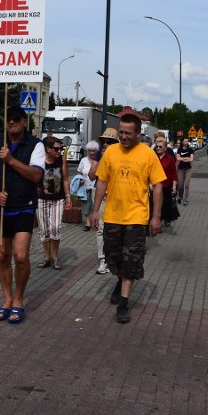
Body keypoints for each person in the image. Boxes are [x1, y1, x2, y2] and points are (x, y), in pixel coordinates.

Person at [90, 114, 166, 324]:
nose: (123, 136)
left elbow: (158, 186)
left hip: (137, 217)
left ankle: (124, 303)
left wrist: (156, 217)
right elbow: (102, 182)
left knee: (131, 260)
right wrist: (95, 211)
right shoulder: (111, 152)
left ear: (138, 133)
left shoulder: (147, 155)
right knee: (113, 258)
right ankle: (119, 279)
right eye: (121, 132)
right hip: (113, 215)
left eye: (128, 133)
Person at [0, 106, 45, 324]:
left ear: (25, 122)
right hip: (1, 209)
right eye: (8, 120)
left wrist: (11, 161)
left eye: (16, 119)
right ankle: (7, 299)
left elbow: (36, 175)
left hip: (24, 207)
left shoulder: (35, 145)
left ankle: (18, 299)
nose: (11, 123)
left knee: (20, 256)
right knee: (2, 255)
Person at [36, 136, 72, 270]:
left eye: (61, 148)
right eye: (56, 149)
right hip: (42, 199)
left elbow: (66, 179)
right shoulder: (39, 161)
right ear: (48, 149)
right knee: (44, 229)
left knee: (55, 228)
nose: (59, 151)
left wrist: (68, 196)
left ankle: (55, 258)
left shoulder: (61, 160)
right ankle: (47, 257)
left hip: (58, 199)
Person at [89, 128, 118, 274]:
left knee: (115, 229)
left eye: (109, 142)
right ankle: (102, 260)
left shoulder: (120, 154)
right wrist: (101, 160)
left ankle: (114, 257)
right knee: (101, 229)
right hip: (102, 196)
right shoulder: (98, 155)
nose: (106, 144)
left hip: (116, 197)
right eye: (104, 142)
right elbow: (91, 176)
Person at [154, 135, 180, 227]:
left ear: (165, 148)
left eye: (160, 147)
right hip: (156, 184)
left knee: (166, 203)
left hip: (167, 184)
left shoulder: (170, 159)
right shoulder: (153, 157)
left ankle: (166, 218)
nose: (158, 148)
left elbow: (174, 174)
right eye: (157, 146)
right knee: (156, 204)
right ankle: (158, 220)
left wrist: (174, 186)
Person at [76, 141, 99, 231]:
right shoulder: (83, 160)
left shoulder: (98, 161)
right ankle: (87, 223)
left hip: (95, 186)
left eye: (94, 151)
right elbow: (79, 171)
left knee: (94, 205)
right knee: (85, 204)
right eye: (90, 151)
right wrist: (80, 179)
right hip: (85, 185)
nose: (92, 153)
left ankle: (95, 222)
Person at [175, 138, 195, 206]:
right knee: (180, 186)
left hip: (188, 169)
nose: (186, 142)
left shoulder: (190, 150)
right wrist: (186, 158)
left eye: (187, 141)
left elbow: (191, 159)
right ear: (182, 142)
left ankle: (185, 200)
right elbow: (178, 158)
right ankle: (180, 197)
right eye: (185, 141)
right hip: (180, 170)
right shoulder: (179, 150)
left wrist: (184, 158)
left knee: (186, 184)